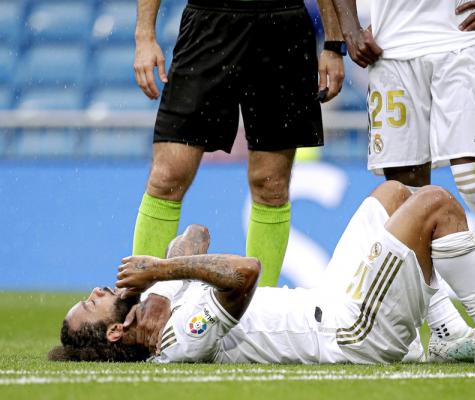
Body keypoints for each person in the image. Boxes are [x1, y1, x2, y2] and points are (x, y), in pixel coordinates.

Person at [48, 182, 475, 365]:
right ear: (116, 331)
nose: (95, 291)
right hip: (349, 334)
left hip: (329, 297)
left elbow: (198, 236)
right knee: (436, 204)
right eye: (91, 302)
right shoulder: (178, 341)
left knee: (393, 193)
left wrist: (161, 273)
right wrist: (164, 269)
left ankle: (443, 333)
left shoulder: (156, 300)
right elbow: (245, 271)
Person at [330, 0, 475, 361]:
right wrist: (349, 28)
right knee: (407, 197)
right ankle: (443, 326)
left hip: (461, 39)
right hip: (390, 48)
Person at [131, 0, 346, 287]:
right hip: (208, 22)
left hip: (283, 25)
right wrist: (145, 36)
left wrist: (333, 45)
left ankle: (260, 310)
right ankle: (138, 300)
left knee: (271, 185)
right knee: (167, 175)